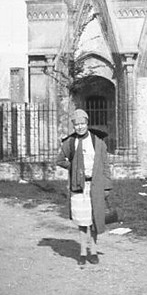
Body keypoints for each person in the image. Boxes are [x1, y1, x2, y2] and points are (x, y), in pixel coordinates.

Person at [56, 108, 112, 266]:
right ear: (73, 126)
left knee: (94, 220)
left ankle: (93, 252)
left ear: (87, 123)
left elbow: (105, 165)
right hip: (78, 187)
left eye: (82, 123)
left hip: (95, 186)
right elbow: (60, 160)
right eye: (76, 124)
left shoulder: (97, 141)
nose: (79, 127)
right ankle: (82, 252)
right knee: (82, 221)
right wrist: (73, 167)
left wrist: (107, 187)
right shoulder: (70, 142)